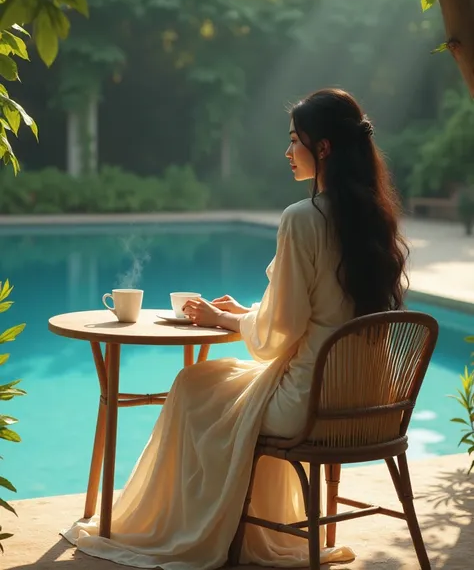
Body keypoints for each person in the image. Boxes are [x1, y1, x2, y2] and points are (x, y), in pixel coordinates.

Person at [63, 88, 408, 568]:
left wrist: (225, 317)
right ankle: (234, 528)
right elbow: (322, 313)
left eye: (294, 141)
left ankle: (198, 530)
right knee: (213, 384)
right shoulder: (375, 220)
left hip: (313, 405)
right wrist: (250, 310)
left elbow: (278, 336)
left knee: (192, 385)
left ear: (323, 147)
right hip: (373, 402)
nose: (287, 153)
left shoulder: (302, 219)